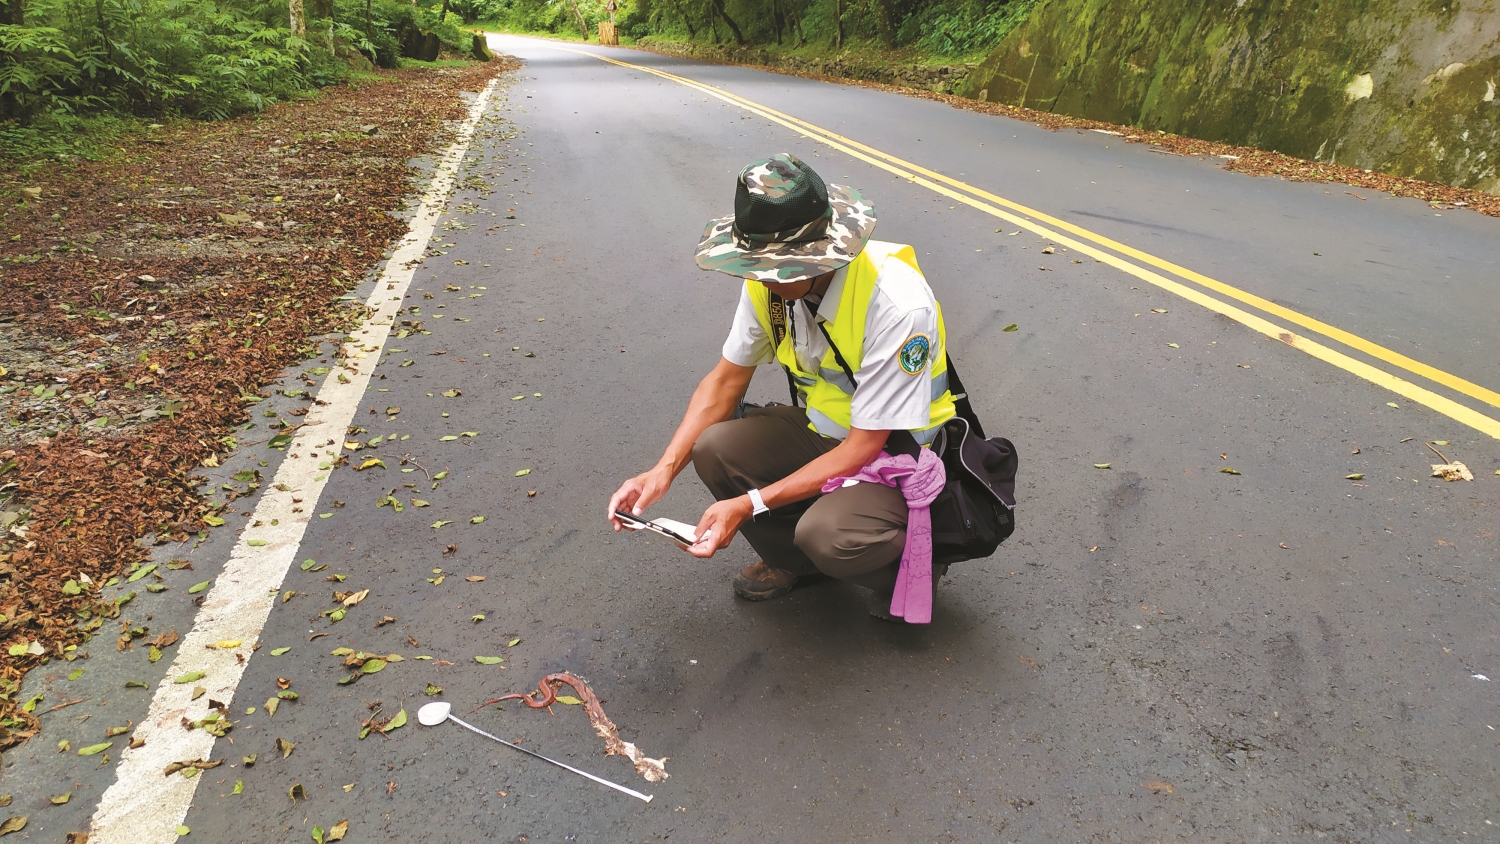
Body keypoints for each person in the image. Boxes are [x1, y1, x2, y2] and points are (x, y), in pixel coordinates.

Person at [607, 153, 958, 613]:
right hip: (823, 431)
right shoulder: (769, 285)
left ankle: (911, 564)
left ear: (817, 257)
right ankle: (796, 561)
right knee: (713, 447)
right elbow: (724, 383)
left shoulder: (896, 303)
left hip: (898, 453)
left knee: (827, 534)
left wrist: (749, 504)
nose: (755, 275)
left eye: (770, 266)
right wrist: (662, 471)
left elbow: (864, 447)